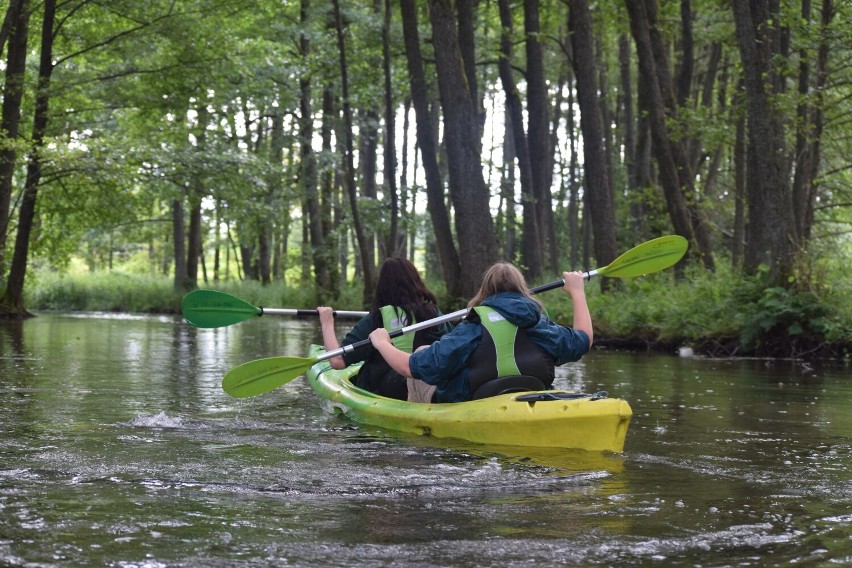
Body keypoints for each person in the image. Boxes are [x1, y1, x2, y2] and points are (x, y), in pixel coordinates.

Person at [368, 263, 593, 403]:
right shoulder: (539, 324)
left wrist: (382, 343)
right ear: (522, 290)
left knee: (422, 353)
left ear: (484, 292)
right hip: (530, 393)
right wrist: (577, 292)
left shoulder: (472, 327)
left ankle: (416, 437)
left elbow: (410, 367)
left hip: (473, 399)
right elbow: (584, 340)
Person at [317, 257, 451, 401]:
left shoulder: (377, 318)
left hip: (386, 392)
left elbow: (337, 361)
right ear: (416, 282)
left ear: (382, 286)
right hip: (425, 389)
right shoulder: (434, 315)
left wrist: (327, 322)